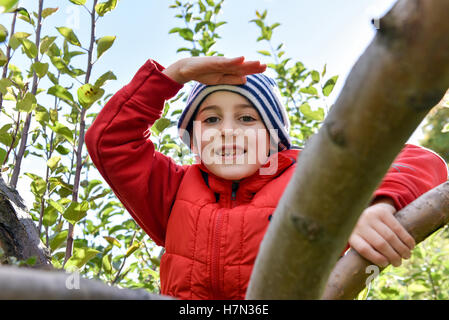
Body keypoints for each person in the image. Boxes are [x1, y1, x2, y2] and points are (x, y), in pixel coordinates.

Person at [85, 56, 448, 300]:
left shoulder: (308, 180)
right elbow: (110, 141)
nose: (227, 131)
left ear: (275, 136)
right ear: (191, 139)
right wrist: (173, 76)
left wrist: (376, 204)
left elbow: (418, 159)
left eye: (246, 119)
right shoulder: (173, 192)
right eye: (210, 119)